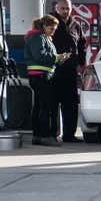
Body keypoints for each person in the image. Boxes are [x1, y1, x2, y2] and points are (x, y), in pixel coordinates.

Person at [24, 14, 69, 147]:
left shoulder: (41, 37)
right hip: (41, 76)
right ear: (44, 26)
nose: (53, 31)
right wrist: (57, 57)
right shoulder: (38, 37)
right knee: (45, 107)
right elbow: (40, 55)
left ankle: (38, 136)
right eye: (51, 29)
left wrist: (57, 59)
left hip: (40, 75)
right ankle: (45, 136)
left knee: (40, 106)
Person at [50, 0, 87, 143]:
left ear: (71, 9)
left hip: (70, 70)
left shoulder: (76, 24)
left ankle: (69, 135)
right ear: (57, 8)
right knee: (52, 104)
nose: (65, 11)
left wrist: (81, 63)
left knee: (70, 104)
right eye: (62, 8)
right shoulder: (50, 22)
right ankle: (52, 134)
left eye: (68, 8)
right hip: (53, 69)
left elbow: (82, 45)